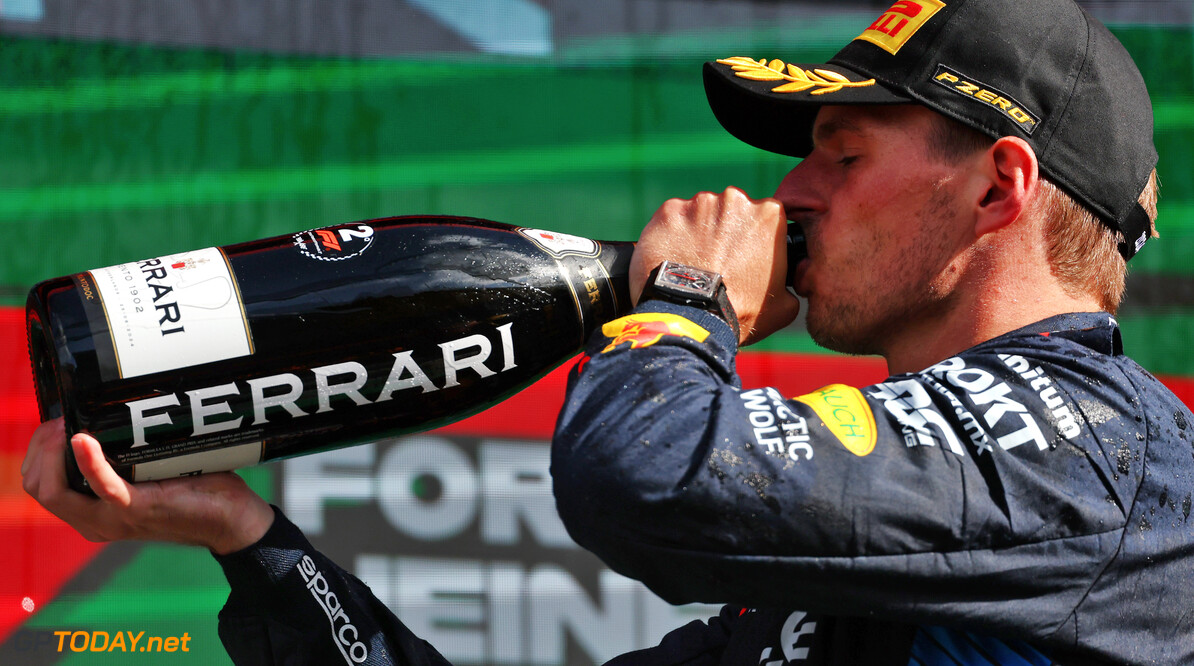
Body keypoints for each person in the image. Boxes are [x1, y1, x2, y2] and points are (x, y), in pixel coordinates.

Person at [21, 0, 1193, 663]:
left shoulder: (1090, 446)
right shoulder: (896, 541)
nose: (791, 196)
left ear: (997, 189)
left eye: (842, 155)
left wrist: (684, 299)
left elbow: (649, 480)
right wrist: (246, 539)